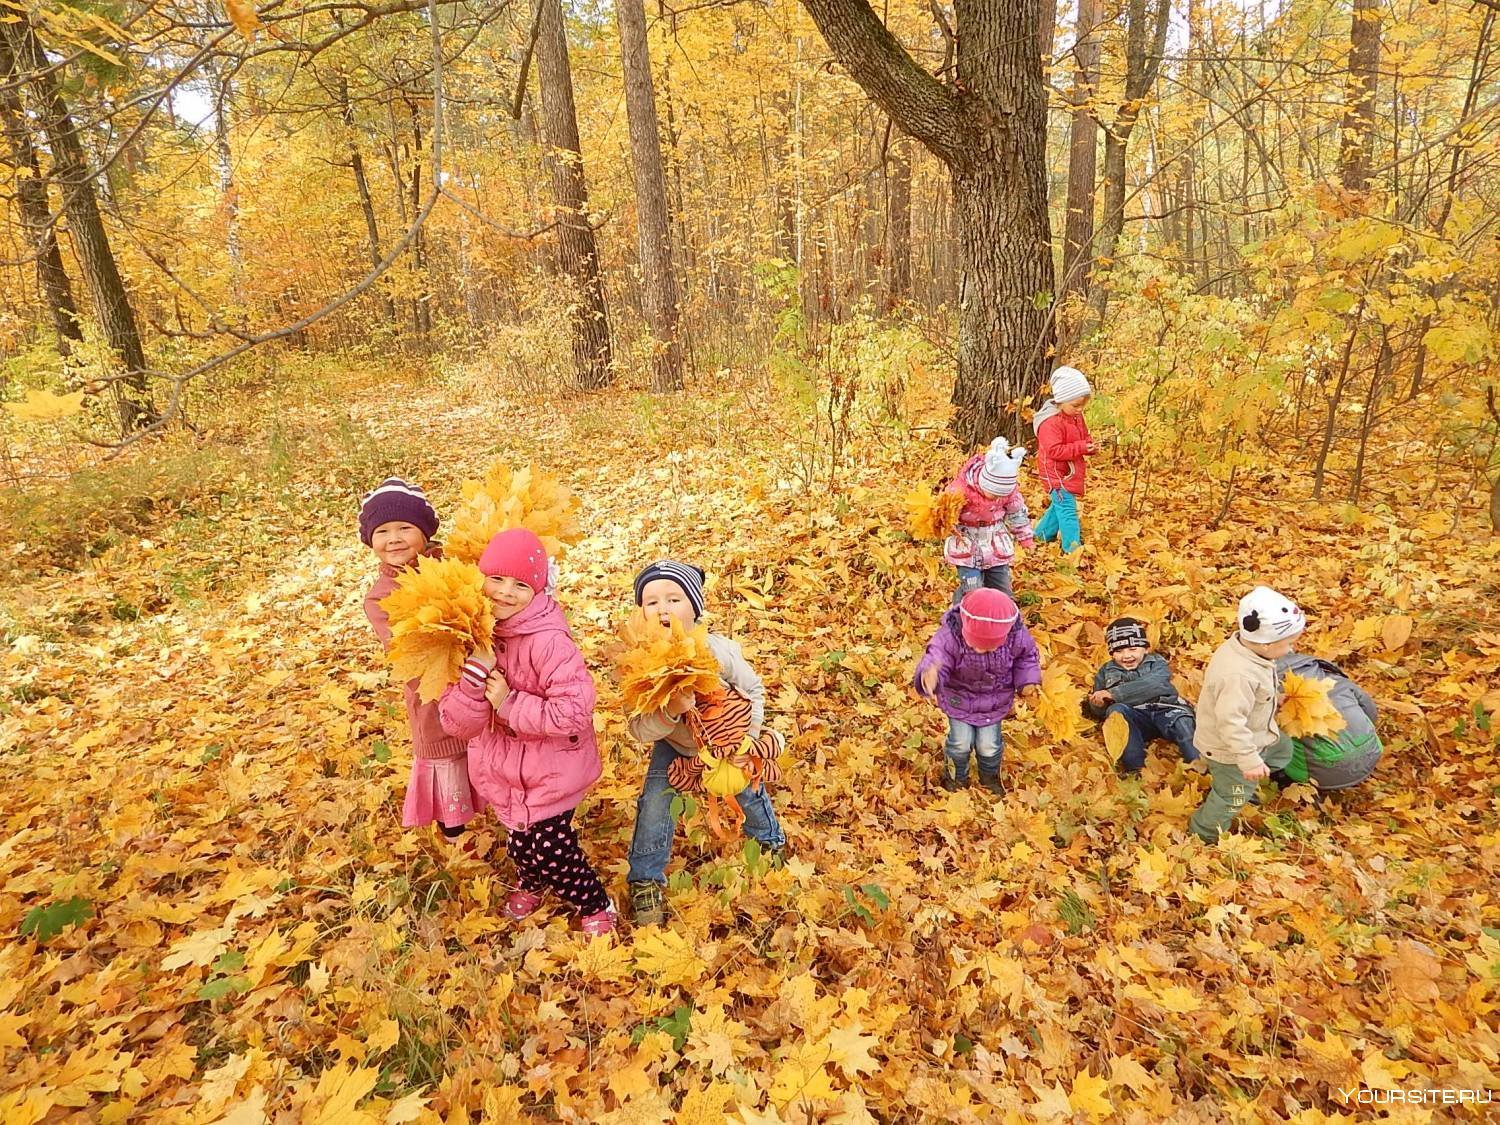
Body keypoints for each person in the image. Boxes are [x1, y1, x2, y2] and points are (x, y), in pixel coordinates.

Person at [439, 528, 615, 936]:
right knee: (520, 841)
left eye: (521, 585)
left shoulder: (549, 642)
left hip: (552, 769)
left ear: (538, 590)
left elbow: (573, 712)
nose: (505, 592)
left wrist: (509, 703)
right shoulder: (467, 635)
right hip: (503, 769)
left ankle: (594, 903)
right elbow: (458, 724)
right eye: (496, 579)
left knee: (553, 849)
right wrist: (474, 675)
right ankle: (532, 883)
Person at [624, 560, 787, 927]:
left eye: (674, 599)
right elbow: (638, 728)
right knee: (655, 804)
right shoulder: (638, 664)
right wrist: (670, 712)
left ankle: (768, 839)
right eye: (651, 602)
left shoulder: (717, 652)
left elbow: (753, 690)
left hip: (729, 741)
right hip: (676, 745)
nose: (663, 609)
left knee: (746, 789)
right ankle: (646, 877)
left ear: (695, 608)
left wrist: (747, 739)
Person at [359, 478, 481, 840]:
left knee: (488, 761)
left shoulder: (453, 565)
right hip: (434, 700)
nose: (394, 538)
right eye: (382, 531)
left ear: (425, 532)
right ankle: (456, 840)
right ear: (370, 541)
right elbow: (405, 650)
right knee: (449, 771)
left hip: (480, 687)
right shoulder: (380, 597)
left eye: (405, 528)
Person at [1187, 586, 1304, 843]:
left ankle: (1255, 773)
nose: (1291, 650)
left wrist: (1274, 698)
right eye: (1288, 644)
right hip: (1230, 750)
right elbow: (1230, 723)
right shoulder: (1238, 675)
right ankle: (1202, 834)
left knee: (1282, 749)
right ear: (1267, 643)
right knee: (1232, 796)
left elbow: (1254, 692)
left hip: (1257, 733)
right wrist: (1248, 760)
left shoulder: (1249, 651)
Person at [914, 588, 1042, 796]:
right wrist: (930, 676)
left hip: (995, 701)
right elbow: (937, 657)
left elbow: (1026, 658)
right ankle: (956, 778)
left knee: (989, 745)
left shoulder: (1015, 636)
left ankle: (989, 777)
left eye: (990, 647)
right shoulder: (951, 636)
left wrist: (1027, 681)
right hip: (959, 700)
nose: (981, 650)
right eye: (975, 645)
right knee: (960, 743)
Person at [1083, 617, 1200, 776]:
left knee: (1183, 723)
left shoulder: (1157, 662)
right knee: (1116, 712)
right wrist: (1097, 704)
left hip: (1166, 709)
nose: (1126, 656)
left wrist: (1115, 694)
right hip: (1136, 718)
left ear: (1145, 649)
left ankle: (1200, 769)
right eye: (1119, 651)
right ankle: (1136, 769)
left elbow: (1154, 685)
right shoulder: (1106, 671)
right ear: (1111, 653)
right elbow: (1101, 710)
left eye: (1132, 649)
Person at [942, 437, 1034, 603]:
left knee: (1002, 588)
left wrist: (1025, 537)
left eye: (1001, 495)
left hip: (995, 542)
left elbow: (1017, 514)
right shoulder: (961, 490)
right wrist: (946, 522)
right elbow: (945, 511)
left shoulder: (1009, 493)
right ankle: (962, 610)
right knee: (972, 589)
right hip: (967, 543)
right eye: (994, 493)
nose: (997, 498)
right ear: (984, 483)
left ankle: (1000, 611)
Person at [1274, 653, 1382, 790]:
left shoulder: (1273, 697)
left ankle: (1284, 778)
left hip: (1318, 774)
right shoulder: (1335, 681)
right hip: (1372, 751)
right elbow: (1369, 710)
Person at [1033, 366, 1096, 554]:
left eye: (1082, 405)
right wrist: (1082, 447)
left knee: (1059, 506)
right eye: (1075, 405)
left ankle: (1040, 535)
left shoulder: (1075, 416)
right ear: (1061, 400)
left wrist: (1089, 445)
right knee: (1067, 511)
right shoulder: (1050, 423)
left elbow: (1083, 436)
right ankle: (1073, 550)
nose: (1080, 409)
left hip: (1070, 471)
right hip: (1056, 475)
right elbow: (1054, 450)